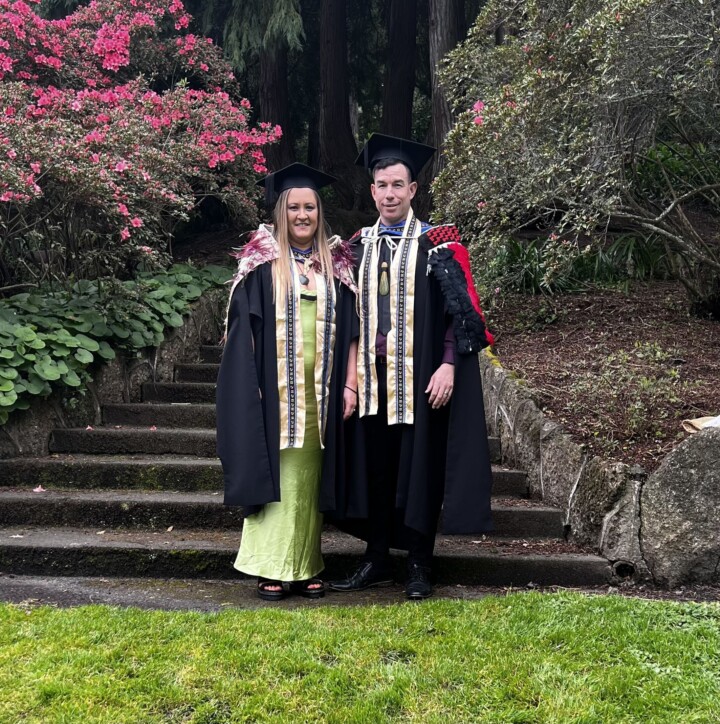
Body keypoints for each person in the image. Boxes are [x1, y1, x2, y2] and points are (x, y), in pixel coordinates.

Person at [329, 134, 495, 600]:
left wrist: (448, 365)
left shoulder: (437, 244)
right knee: (376, 474)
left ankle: (421, 562)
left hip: (421, 381)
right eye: (381, 185)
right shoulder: (356, 247)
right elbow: (348, 322)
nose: (389, 194)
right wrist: (349, 381)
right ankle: (377, 559)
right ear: (372, 191)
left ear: (414, 189)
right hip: (372, 383)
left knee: (421, 473)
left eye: (398, 185)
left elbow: (459, 313)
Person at [217, 163, 358, 601]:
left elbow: (352, 330)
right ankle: (270, 565)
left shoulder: (335, 265)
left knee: (311, 477)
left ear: (319, 212)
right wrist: (252, 383)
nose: (302, 215)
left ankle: (307, 562)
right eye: (294, 207)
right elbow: (244, 332)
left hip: (323, 390)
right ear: (281, 212)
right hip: (276, 388)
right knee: (276, 472)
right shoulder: (261, 263)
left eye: (310, 207)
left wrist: (351, 384)